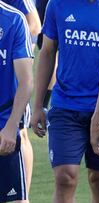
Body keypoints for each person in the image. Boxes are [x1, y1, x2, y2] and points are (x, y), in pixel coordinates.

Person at [30, 0, 99, 202]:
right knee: (65, 177)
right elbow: (47, 52)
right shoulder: (57, 4)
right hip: (66, 105)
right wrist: (38, 105)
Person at [2, 0, 40, 198]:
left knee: (16, 198)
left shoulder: (13, 19)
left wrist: (10, 126)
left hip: (4, 119)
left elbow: (26, 81)